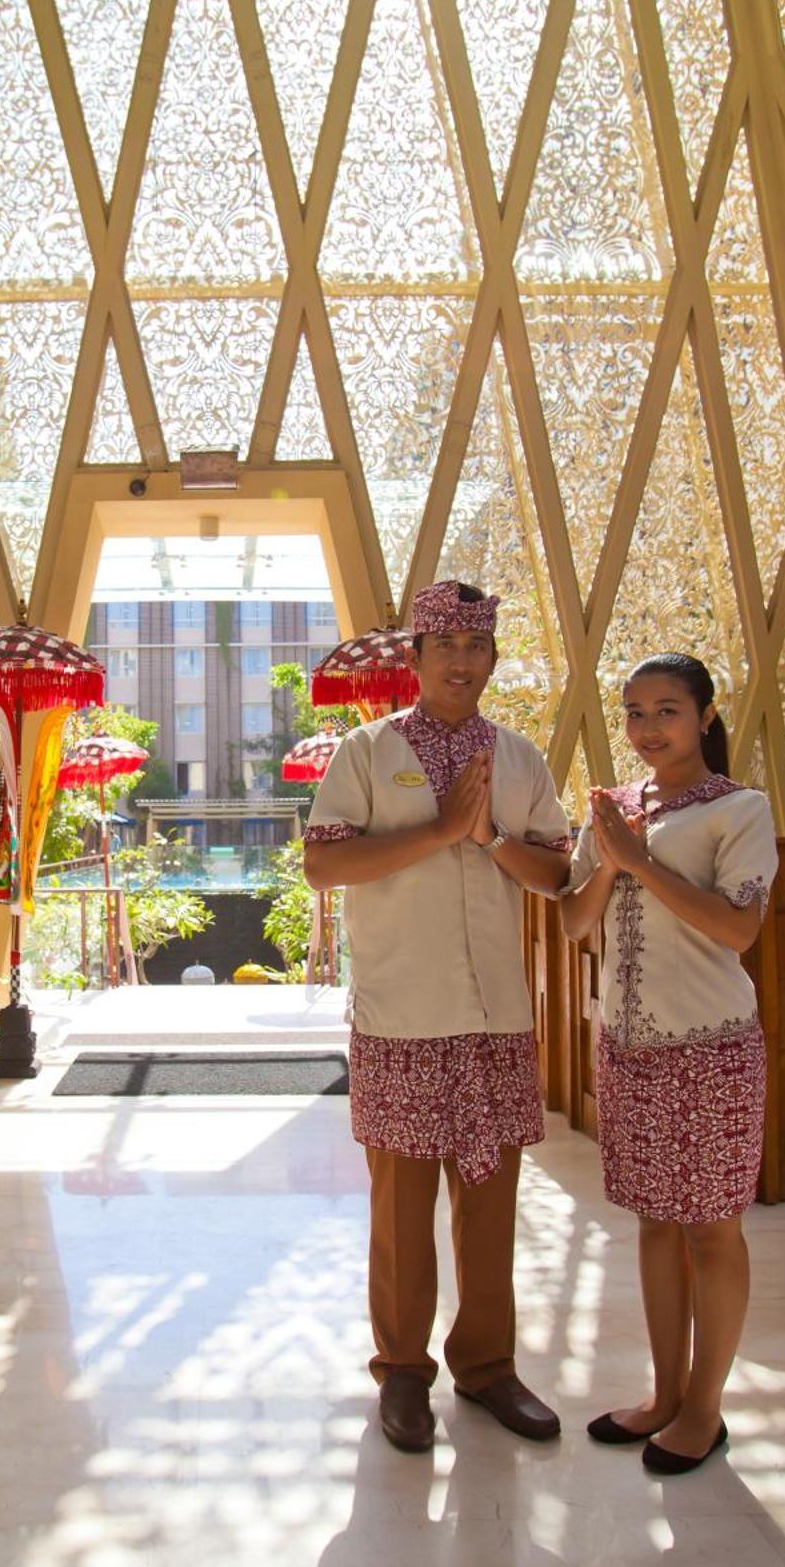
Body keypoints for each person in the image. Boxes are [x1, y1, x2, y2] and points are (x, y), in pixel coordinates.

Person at [303, 580, 573, 1453]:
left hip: (495, 1016)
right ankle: (403, 1370)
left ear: (492, 658)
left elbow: (558, 875)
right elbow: (323, 866)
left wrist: (489, 838)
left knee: (491, 1206)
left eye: (476, 646)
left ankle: (488, 1366)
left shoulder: (519, 759)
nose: (461, 661)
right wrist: (441, 829)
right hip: (403, 1015)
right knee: (401, 1209)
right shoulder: (367, 751)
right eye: (445, 646)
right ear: (415, 658)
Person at [558, 653, 778, 1476]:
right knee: (655, 1222)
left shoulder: (740, 809)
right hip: (630, 1048)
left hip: (712, 1048)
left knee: (712, 1231)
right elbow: (576, 921)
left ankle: (705, 1408)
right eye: (635, 712)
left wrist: (641, 861)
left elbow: (739, 929)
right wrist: (612, 856)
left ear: (705, 717)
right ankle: (664, 1394)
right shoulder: (612, 811)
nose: (648, 728)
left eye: (667, 711)